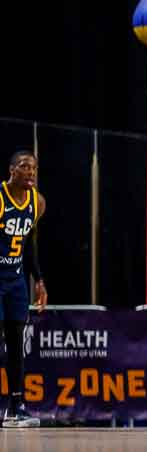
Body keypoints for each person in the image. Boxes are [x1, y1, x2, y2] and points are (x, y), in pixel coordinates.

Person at [0, 151, 46, 428]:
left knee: (17, 343)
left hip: (16, 280)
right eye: (24, 167)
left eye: (34, 168)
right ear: (11, 170)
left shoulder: (37, 203)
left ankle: (16, 407)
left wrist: (38, 280)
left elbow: (29, 245)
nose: (30, 172)